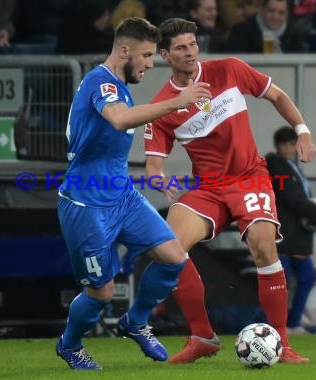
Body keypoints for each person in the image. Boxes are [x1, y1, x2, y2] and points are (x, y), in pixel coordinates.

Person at [145, 17, 316, 364]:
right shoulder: (163, 106)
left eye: (193, 44)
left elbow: (277, 94)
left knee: (263, 245)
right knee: (168, 247)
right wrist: (162, 180)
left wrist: (302, 130)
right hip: (208, 188)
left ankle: (281, 344)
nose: (190, 52)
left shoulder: (229, 69)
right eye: (180, 47)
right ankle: (202, 336)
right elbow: (153, 167)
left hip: (249, 177)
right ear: (165, 54)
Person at [55, 17, 212, 370]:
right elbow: (120, 119)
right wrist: (177, 101)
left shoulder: (120, 85)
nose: (149, 63)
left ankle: (136, 321)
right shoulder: (102, 82)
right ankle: (70, 344)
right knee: (102, 292)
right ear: (124, 50)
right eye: (144, 55)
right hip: (87, 203)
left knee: (174, 256)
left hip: (121, 195)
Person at [265, 126, 316, 335]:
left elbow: (298, 199)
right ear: (285, 145)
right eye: (295, 144)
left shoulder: (288, 167)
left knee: (305, 277)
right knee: (280, 284)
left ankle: (293, 323)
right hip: (283, 235)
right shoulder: (278, 167)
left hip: (296, 235)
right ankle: (276, 326)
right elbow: (294, 201)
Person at [226, 0, 306, 53]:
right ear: (262, 9)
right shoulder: (242, 32)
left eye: (281, 13)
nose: (275, 17)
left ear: (287, 15)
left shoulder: (293, 35)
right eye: (271, 11)